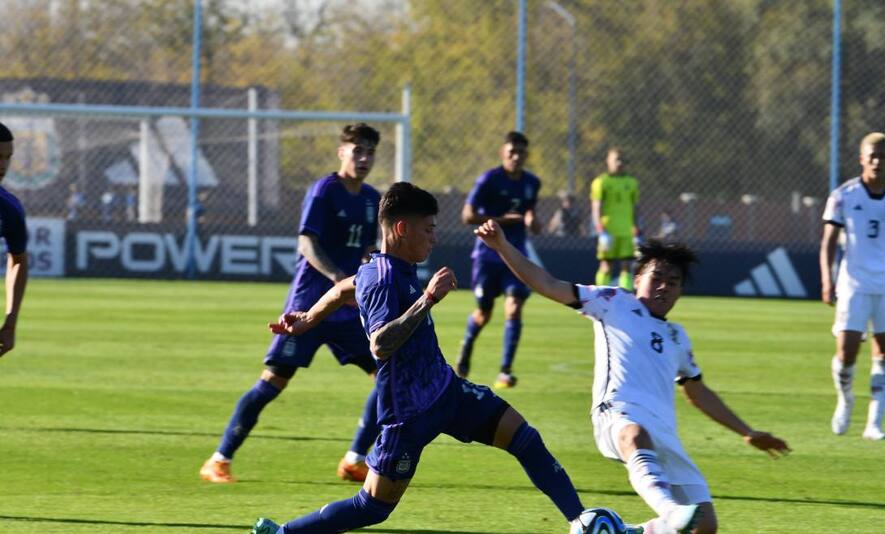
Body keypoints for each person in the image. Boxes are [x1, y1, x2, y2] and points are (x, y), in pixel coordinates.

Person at [252, 182, 599, 534]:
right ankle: (283, 533)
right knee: (371, 506)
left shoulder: (385, 266)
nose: (434, 238)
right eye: (429, 229)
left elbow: (344, 288)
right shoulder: (383, 279)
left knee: (524, 438)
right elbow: (380, 345)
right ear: (402, 229)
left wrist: (308, 319)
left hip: (447, 392)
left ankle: (582, 522)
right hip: (408, 415)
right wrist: (427, 299)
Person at [475, 220, 791, 534]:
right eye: (657, 278)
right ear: (638, 278)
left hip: (664, 433)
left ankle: (629, 532)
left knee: (705, 526)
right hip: (618, 414)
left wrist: (746, 431)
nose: (665, 286)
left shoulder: (677, 336)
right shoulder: (613, 302)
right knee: (635, 437)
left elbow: (697, 392)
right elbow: (547, 283)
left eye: (674, 281)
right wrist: (502, 246)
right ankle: (669, 510)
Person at [199, 123, 383, 484]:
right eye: (357, 150)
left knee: (389, 374)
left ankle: (354, 459)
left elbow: (363, 247)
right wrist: (335, 279)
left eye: (370, 152)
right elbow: (306, 243)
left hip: (346, 310)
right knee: (273, 382)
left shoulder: (371, 198)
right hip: (307, 309)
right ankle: (218, 460)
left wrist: (369, 265)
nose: (363, 158)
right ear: (341, 152)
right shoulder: (323, 191)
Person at [820, 132, 885, 441]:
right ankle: (845, 398)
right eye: (871, 156)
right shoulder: (843, 195)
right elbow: (829, 241)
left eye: (883, 156)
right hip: (854, 282)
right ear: (862, 158)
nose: (877, 161)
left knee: (884, 351)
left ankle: (874, 423)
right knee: (847, 351)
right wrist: (827, 278)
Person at [456, 131, 542, 389]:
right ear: (502, 153)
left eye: (520, 153)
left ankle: (505, 370)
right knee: (484, 313)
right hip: (487, 256)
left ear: (526, 155)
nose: (515, 157)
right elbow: (468, 216)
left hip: (515, 255)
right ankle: (468, 345)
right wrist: (504, 220)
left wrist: (532, 222)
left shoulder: (532, 183)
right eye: (511, 152)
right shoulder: (489, 180)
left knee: (514, 306)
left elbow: (531, 218)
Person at [590, 148, 641, 290]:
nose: (619, 163)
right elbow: (596, 208)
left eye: (622, 160)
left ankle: (625, 299)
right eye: (616, 159)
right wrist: (601, 232)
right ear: (608, 161)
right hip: (609, 231)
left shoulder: (631, 182)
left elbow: (635, 208)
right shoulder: (601, 182)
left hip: (626, 231)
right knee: (606, 266)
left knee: (627, 267)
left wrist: (637, 230)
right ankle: (600, 298)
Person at [0, 122, 29, 359]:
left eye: (7, 157)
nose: (3, 165)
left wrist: (10, 323)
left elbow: (18, 259)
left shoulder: (9, 208)